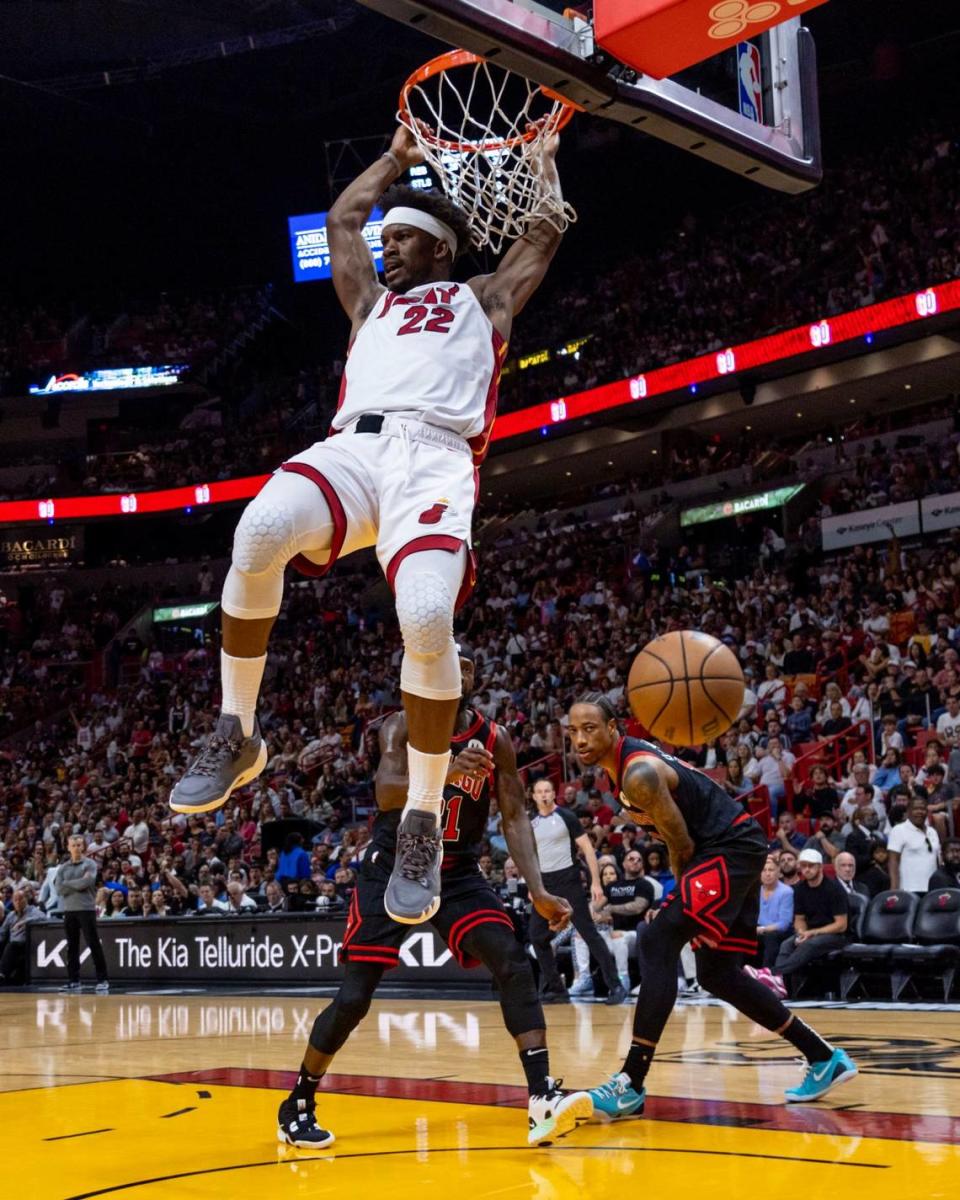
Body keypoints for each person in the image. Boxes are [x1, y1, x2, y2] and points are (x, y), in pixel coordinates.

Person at [169, 117, 568, 929]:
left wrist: (544, 165)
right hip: (355, 447)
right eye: (385, 242)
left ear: (440, 251)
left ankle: (422, 815)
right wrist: (395, 159)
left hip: (436, 459)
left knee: (424, 618)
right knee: (255, 533)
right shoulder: (367, 305)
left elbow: (543, 234)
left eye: (402, 241)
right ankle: (237, 731)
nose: (384, 249)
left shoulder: (481, 300)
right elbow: (343, 221)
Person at [276, 647, 588, 1151]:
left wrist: (538, 888)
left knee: (511, 958)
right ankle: (298, 1100)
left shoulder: (495, 738)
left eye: (466, 665)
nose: (458, 671)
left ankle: (541, 1097)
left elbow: (512, 815)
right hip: (394, 865)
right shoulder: (400, 726)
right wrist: (444, 770)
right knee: (355, 998)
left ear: (474, 677)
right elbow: (385, 793)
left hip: (459, 869)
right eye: (449, 663)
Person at [565, 696, 855, 1123]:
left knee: (658, 939)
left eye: (590, 728)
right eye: (572, 732)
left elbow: (681, 844)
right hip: (735, 848)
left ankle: (631, 1083)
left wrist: (683, 900)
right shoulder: (618, 776)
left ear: (614, 728)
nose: (580, 739)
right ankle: (824, 1057)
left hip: (726, 850)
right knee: (717, 973)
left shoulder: (638, 773)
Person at [528, 778, 627, 1005]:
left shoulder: (566, 817)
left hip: (568, 880)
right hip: (544, 885)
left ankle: (616, 986)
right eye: (539, 792)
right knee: (537, 936)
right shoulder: (531, 823)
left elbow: (588, 849)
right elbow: (530, 858)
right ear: (533, 796)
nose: (543, 795)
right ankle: (556, 988)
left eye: (547, 791)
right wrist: (532, 887)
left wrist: (595, 883)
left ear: (554, 794)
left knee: (588, 932)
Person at [755, 848, 850, 998]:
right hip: (811, 933)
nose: (807, 869)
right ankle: (780, 986)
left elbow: (841, 924)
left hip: (836, 936)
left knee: (810, 944)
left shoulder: (834, 889)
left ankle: (773, 973)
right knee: (787, 943)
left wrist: (812, 933)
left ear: (820, 867)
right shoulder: (800, 889)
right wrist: (801, 932)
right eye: (804, 866)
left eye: (811, 866)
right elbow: (799, 919)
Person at [56, 833, 110, 993]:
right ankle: (73, 980)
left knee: (93, 944)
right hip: (69, 910)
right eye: (73, 845)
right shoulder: (63, 867)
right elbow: (59, 889)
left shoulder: (90, 864)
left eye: (79, 845)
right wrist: (77, 883)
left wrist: (68, 884)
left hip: (86, 909)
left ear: (84, 846)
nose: (76, 848)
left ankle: (103, 979)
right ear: (68, 847)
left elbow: (86, 882)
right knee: (71, 947)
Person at [887, 796, 941, 893]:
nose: (919, 812)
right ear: (908, 811)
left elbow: (937, 859)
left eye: (923, 809)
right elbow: (893, 861)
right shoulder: (899, 830)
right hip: (909, 889)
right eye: (915, 809)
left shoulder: (932, 831)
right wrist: (894, 889)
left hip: (932, 889)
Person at [755, 856, 794, 970]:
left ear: (778, 872)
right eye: (764, 870)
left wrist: (763, 929)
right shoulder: (756, 890)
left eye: (771, 870)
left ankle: (768, 973)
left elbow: (784, 924)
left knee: (770, 937)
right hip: (758, 929)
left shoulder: (786, 892)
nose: (767, 874)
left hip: (778, 931)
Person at [0, 889, 44, 984]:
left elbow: (43, 917)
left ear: (26, 900)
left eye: (20, 899)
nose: (18, 902)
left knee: (12, 945)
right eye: (15, 900)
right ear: (12, 902)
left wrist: (25, 922)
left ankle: (2, 973)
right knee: (9, 945)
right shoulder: (11, 916)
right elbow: (2, 933)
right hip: (13, 945)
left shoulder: (33, 910)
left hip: (27, 944)